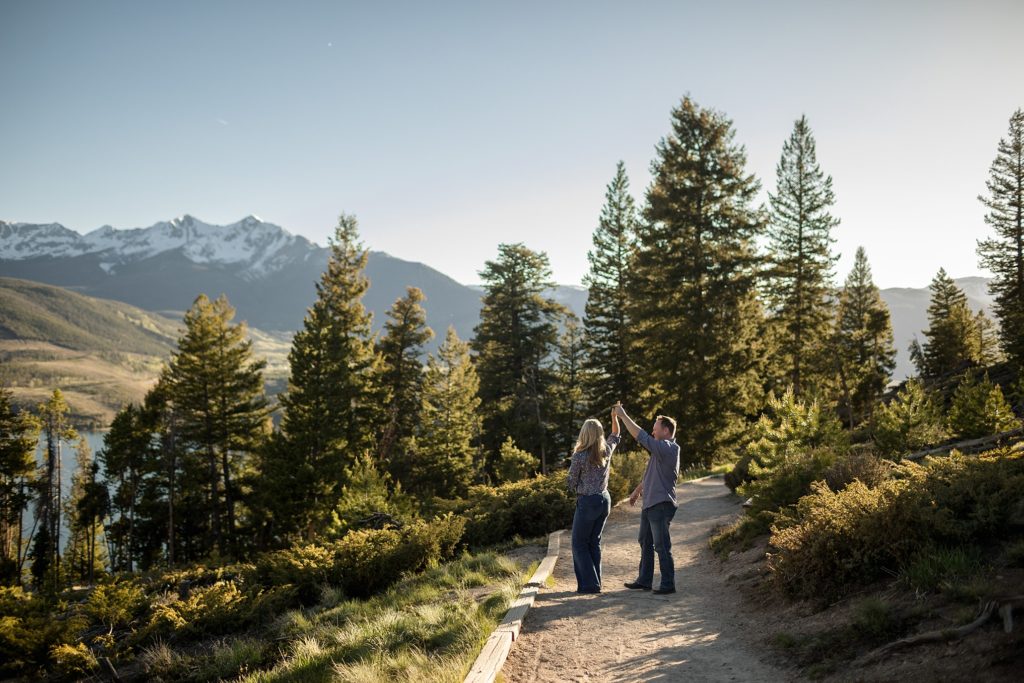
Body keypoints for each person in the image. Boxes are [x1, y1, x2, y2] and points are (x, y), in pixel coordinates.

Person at [613, 403, 679, 595]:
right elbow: (652, 475)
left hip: (660, 505)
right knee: (645, 541)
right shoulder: (660, 450)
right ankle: (644, 580)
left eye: (655, 428)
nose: (652, 430)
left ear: (666, 430)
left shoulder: (668, 448)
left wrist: (624, 416)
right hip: (650, 504)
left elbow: (640, 435)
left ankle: (668, 584)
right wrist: (636, 491)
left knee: (661, 545)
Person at [566, 409, 621, 593]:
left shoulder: (579, 456)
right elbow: (616, 434)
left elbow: (571, 482)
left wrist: (573, 486)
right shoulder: (606, 451)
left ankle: (590, 585)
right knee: (594, 542)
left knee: (579, 543)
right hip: (605, 500)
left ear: (584, 434)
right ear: (599, 434)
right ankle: (595, 581)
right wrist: (614, 418)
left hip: (588, 502)